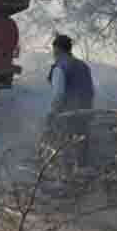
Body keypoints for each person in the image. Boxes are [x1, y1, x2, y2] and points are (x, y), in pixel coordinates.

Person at [45, 34, 95, 167]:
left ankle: (65, 179)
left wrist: (52, 113)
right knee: (81, 148)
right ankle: (81, 176)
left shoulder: (60, 67)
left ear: (57, 49)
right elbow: (90, 91)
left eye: (54, 50)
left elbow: (59, 94)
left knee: (63, 149)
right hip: (85, 112)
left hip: (67, 115)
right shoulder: (83, 66)